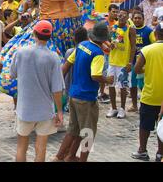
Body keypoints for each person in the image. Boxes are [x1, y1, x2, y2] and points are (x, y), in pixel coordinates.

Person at [54, 22, 114, 162]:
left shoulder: (81, 46)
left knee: (73, 130)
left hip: (74, 94)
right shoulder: (98, 53)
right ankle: (82, 160)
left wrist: (59, 86)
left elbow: (66, 65)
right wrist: (108, 80)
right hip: (87, 98)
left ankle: (62, 157)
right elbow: (95, 75)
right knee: (88, 133)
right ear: (104, 38)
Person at [10, 20, 64, 162]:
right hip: (45, 110)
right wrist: (59, 111)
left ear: (34, 33)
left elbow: (12, 74)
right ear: (50, 36)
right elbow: (57, 89)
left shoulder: (20, 52)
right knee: (41, 147)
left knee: (21, 147)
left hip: (24, 108)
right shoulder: (54, 57)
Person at [131, 22, 163, 162]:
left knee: (145, 125)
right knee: (162, 127)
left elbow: (137, 69)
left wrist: (148, 70)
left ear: (155, 35)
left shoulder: (147, 49)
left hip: (150, 95)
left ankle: (142, 151)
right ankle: (160, 154)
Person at [107, 9, 136, 119]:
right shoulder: (113, 27)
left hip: (123, 63)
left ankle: (122, 108)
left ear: (127, 17)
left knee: (123, 86)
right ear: (117, 16)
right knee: (111, 85)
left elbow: (133, 47)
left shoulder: (130, 30)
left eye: (124, 15)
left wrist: (130, 62)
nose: (121, 16)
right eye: (120, 14)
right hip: (112, 61)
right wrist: (110, 45)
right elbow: (110, 41)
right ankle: (113, 108)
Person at [128, 11, 155, 112]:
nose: (137, 20)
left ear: (143, 19)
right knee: (132, 84)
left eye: (139, 18)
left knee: (142, 85)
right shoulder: (130, 30)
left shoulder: (148, 31)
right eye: (135, 18)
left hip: (145, 64)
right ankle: (134, 105)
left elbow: (154, 44)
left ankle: (144, 105)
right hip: (133, 61)